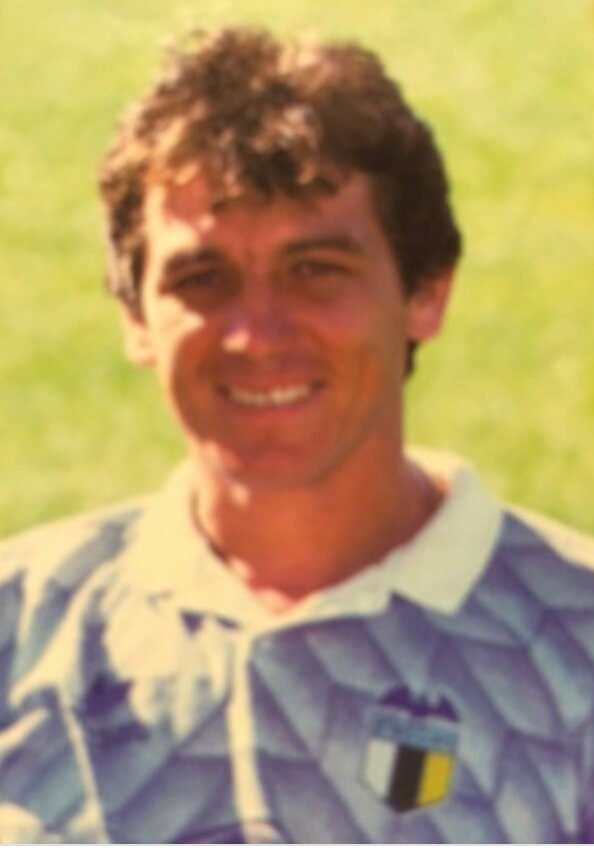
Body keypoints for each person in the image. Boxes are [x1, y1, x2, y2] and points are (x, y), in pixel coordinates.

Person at [0, 26, 593, 845]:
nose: (257, 334)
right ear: (136, 319)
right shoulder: (20, 630)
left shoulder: (575, 641)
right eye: (202, 279)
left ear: (425, 292)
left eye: (316, 271)